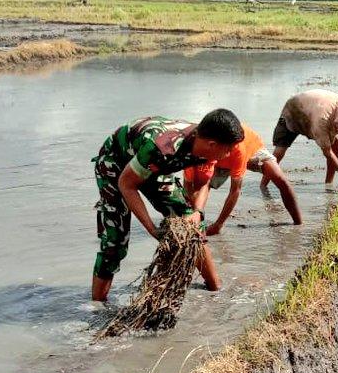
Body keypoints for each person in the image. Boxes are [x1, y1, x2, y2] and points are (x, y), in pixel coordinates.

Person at [91, 109, 244, 302]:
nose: (230, 154)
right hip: (116, 164)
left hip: (155, 167)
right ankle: (97, 307)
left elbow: (204, 182)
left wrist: (197, 212)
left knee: (191, 224)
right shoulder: (163, 147)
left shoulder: (207, 145)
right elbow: (127, 184)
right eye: (228, 149)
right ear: (212, 144)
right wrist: (152, 228)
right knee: (116, 241)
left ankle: (215, 289)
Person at [184, 124, 303, 235]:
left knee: (282, 181)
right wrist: (195, 212)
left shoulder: (237, 150)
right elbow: (192, 185)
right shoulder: (198, 148)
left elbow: (235, 190)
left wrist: (218, 225)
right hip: (220, 158)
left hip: (250, 152)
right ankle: (194, 222)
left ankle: (299, 225)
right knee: (201, 186)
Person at [268, 89, 338, 188]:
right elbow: (327, 152)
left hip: (313, 111)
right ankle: (263, 185)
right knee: (279, 153)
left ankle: (328, 184)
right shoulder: (322, 119)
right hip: (294, 112)